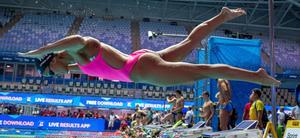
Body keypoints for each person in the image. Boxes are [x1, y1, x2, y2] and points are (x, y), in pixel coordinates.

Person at [19, 7, 280, 88]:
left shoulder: (79, 49)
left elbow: (75, 39)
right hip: (140, 60)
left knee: (205, 70)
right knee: (189, 43)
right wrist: (47, 55)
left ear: (52, 60)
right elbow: (94, 67)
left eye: (50, 72)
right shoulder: (79, 63)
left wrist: (40, 50)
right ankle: (221, 16)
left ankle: (255, 76)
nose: (55, 76)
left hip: (142, 69)